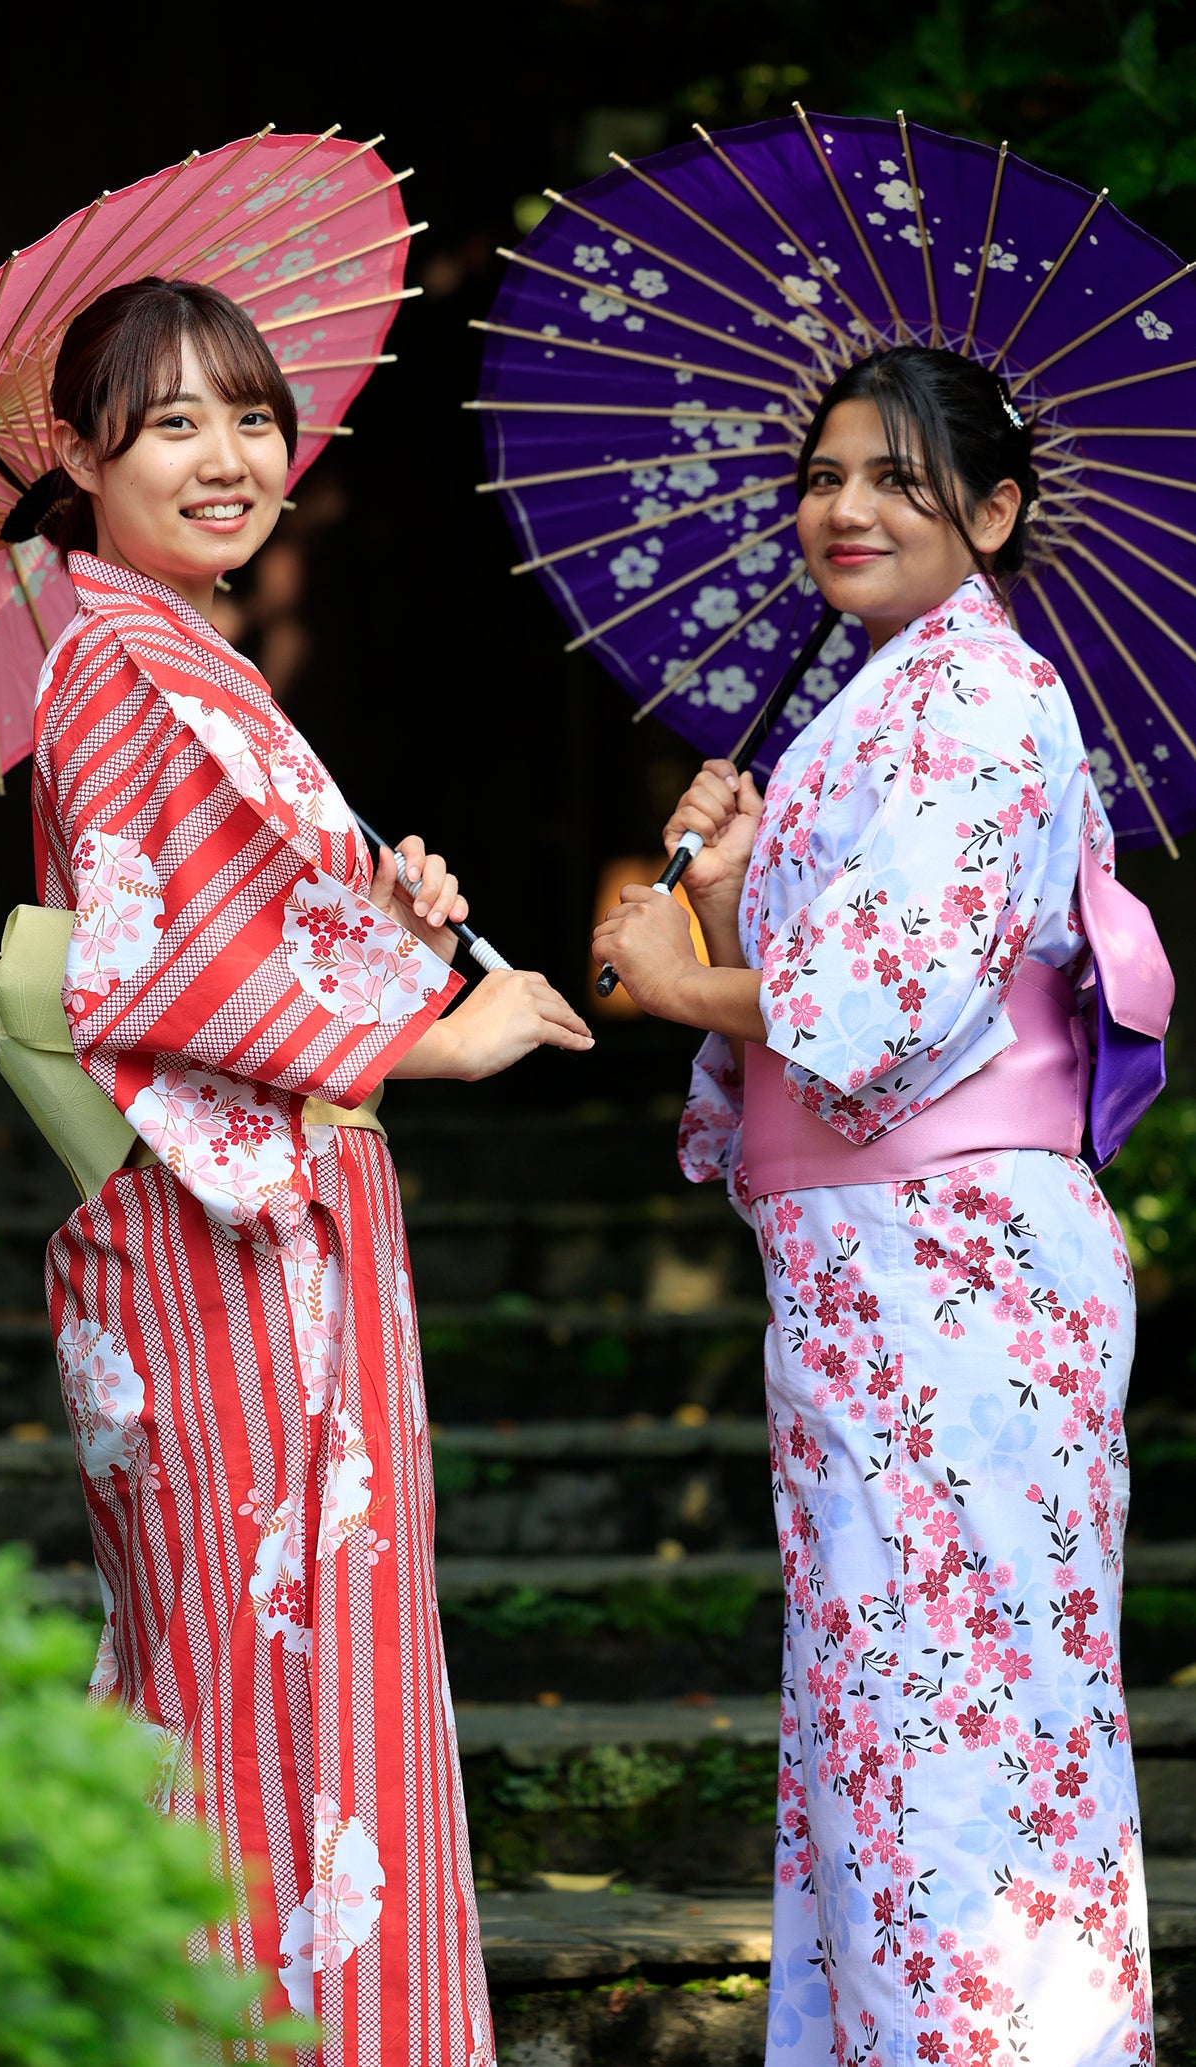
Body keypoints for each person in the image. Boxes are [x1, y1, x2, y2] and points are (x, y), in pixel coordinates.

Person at [32, 275, 593, 2064]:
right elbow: (167, 958)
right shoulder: (120, 653)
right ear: (74, 454)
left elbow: (246, 913)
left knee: (299, 1691)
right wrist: (436, 1029)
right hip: (225, 1242)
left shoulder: (180, 648)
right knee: (264, 1698)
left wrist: (378, 910)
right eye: (170, 421)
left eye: (251, 417)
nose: (227, 457)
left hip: (278, 1227)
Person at [591, 346, 1165, 2066]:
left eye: (899, 481)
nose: (845, 507)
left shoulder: (978, 697)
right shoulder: (887, 700)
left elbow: (883, 993)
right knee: (892, 1726)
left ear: (990, 513)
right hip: (885, 1281)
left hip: (954, 1282)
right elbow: (831, 972)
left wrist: (671, 975)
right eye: (826, 473)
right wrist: (713, 881)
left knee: (955, 1733)